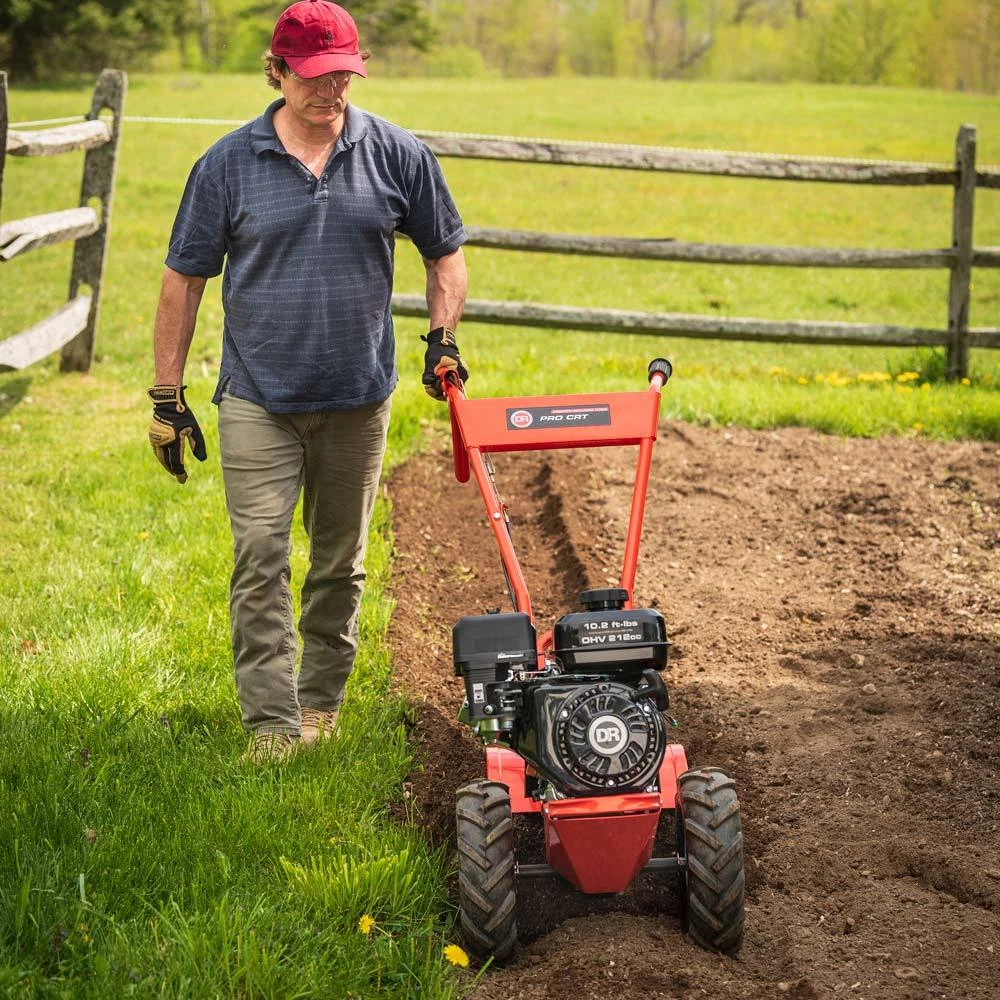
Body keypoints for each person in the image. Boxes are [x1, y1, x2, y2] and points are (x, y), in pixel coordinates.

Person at [147, 0, 469, 763]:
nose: (332, 91)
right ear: (278, 70)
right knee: (260, 556)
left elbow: (445, 253)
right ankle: (270, 724)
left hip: (359, 398)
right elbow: (183, 281)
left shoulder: (396, 153)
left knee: (338, 564)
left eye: (344, 76)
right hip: (258, 396)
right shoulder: (227, 164)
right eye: (316, 77)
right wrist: (166, 397)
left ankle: (320, 704)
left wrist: (443, 337)